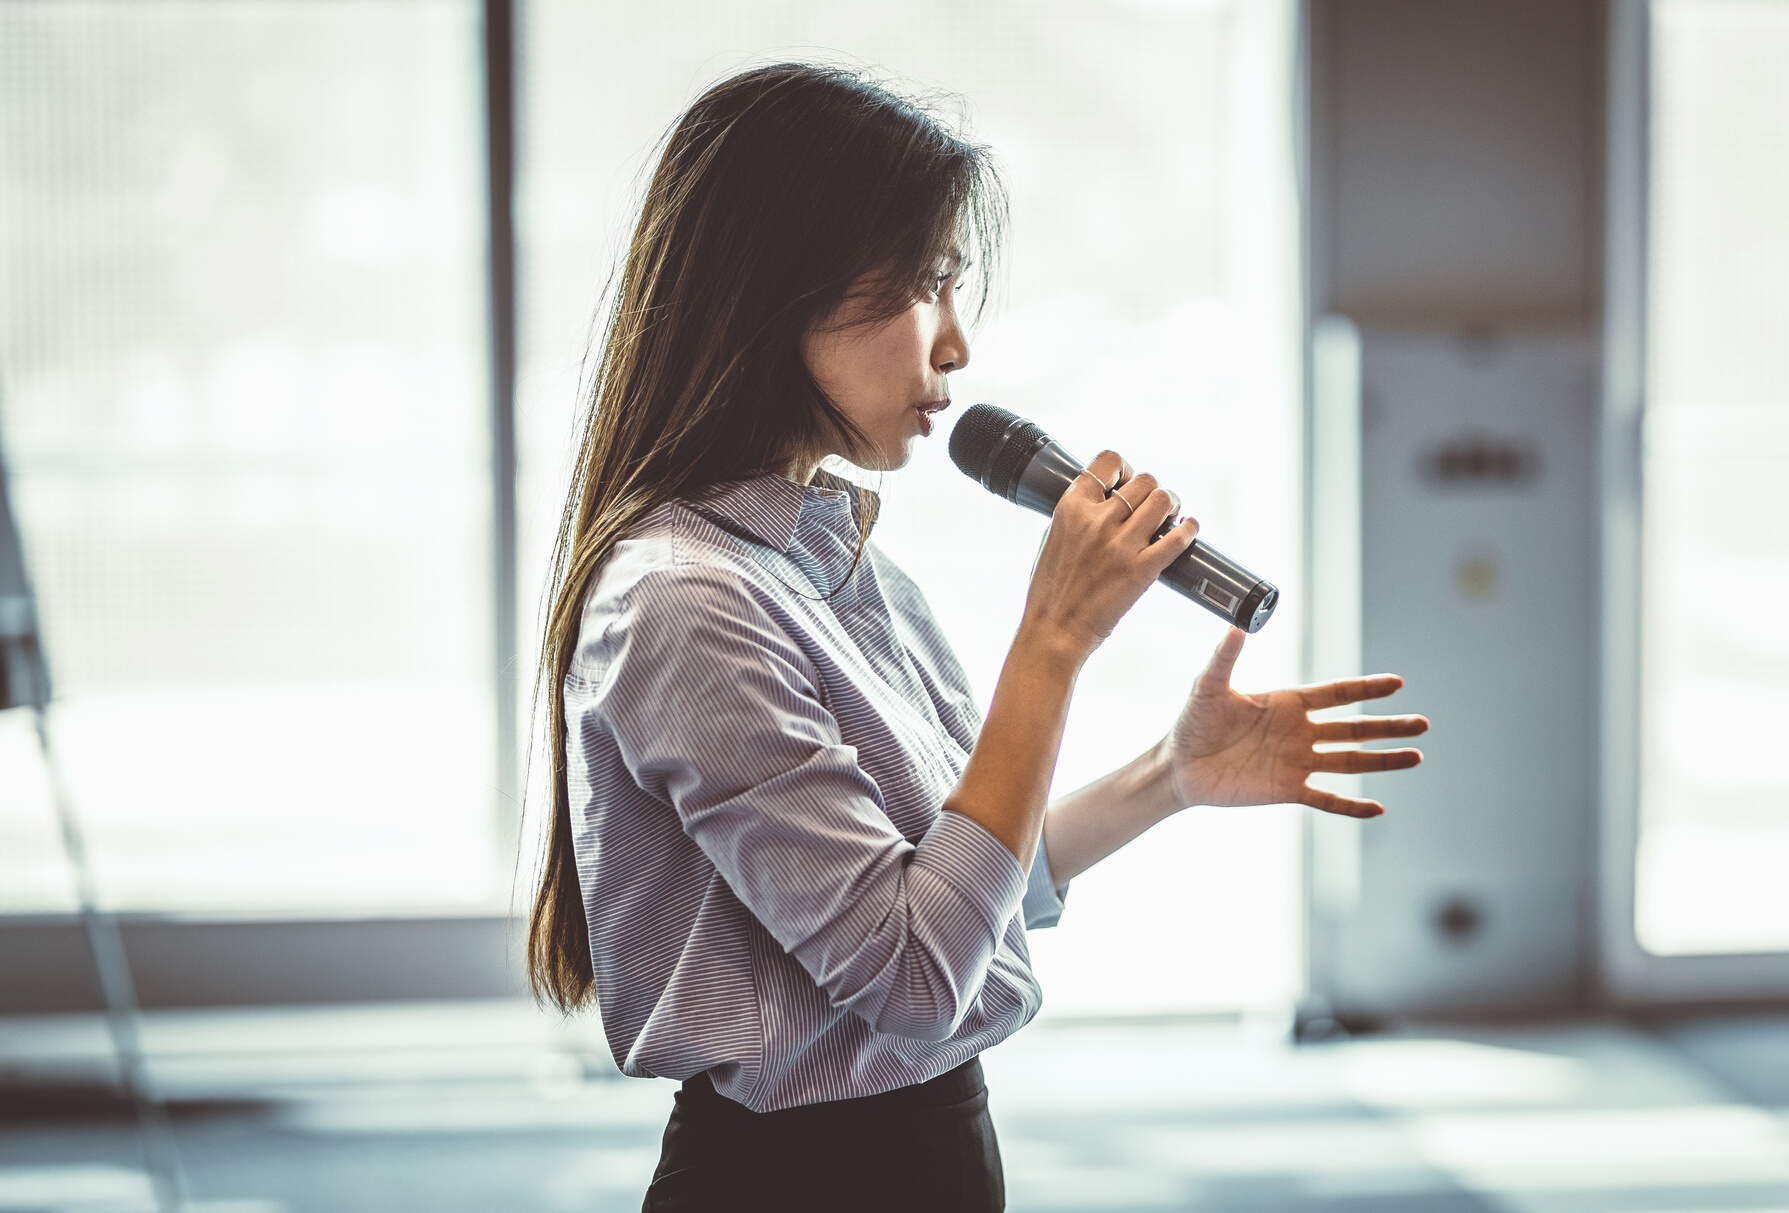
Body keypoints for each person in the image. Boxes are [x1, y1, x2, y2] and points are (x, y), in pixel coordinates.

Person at [525, 63, 1429, 1213]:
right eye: (922, 287)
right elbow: (911, 975)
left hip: (930, 1146)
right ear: (777, 290)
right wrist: (1050, 644)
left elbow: (961, 890)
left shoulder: (832, 562)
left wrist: (1171, 774)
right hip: (800, 1180)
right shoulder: (684, 599)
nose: (954, 345)